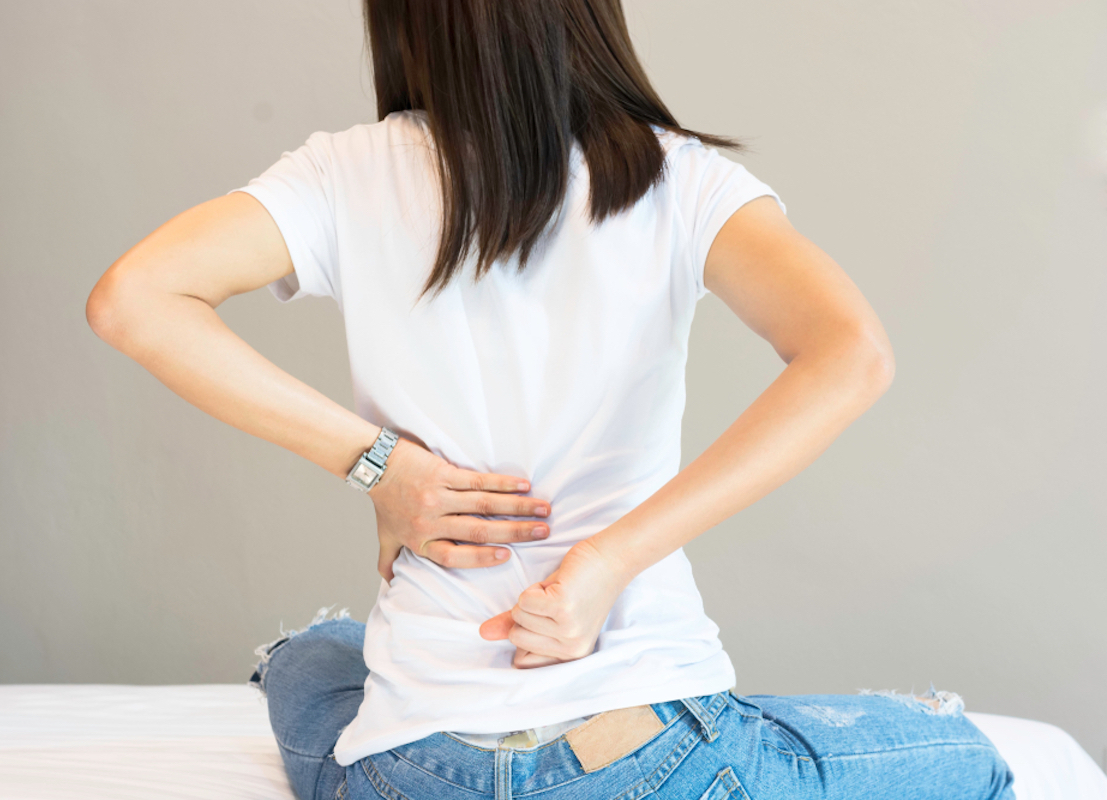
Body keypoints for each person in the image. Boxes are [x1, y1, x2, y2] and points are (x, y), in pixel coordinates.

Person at [86, 1, 1016, 798]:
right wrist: (607, 563)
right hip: (650, 754)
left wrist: (381, 469)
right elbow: (852, 354)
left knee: (321, 658)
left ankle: (304, 658)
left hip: (411, 770)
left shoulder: (345, 173)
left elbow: (132, 298)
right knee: (966, 758)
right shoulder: (679, 179)